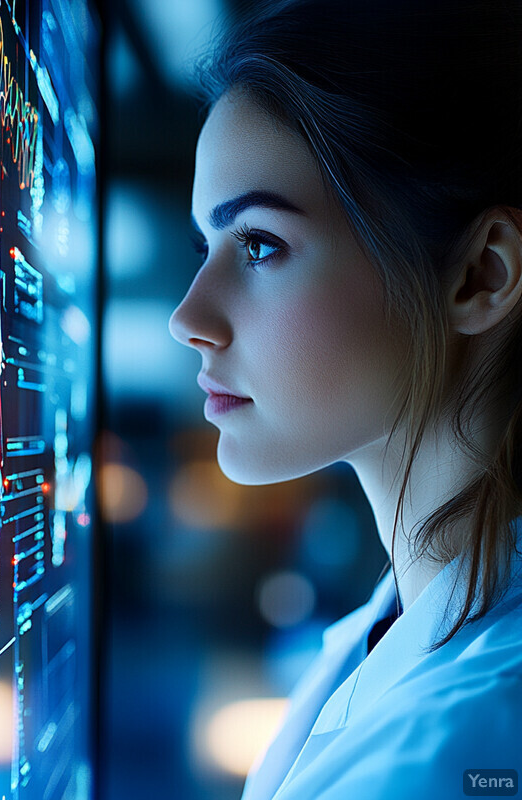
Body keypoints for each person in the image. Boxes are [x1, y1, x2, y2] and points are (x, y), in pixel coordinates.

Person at [168, 0, 522, 797]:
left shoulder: (452, 753)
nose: (187, 318)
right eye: (206, 245)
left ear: (481, 276)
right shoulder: (402, 627)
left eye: (259, 244)